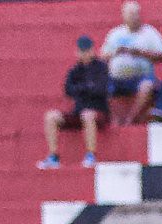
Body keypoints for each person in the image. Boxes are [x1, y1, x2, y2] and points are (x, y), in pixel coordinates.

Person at [40, 36, 110, 170]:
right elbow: (68, 90)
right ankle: (53, 156)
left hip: (98, 112)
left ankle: (90, 154)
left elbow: (101, 89)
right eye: (81, 51)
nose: (84, 54)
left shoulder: (101, 68)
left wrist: (81, 89)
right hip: (78, 111)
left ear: (92, 50)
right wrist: (87, 87)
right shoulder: (75, 70)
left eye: (86, 50)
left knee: (87, 115)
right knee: (51, 116)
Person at [100, 1, 162, 125]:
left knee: (147, 86)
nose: (133, 17)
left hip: (141, 76)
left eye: (135, 14)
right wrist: (116, 52)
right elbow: (103, 56)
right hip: (117, 78)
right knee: (100, 85)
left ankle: (131, 118)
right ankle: (115, 120)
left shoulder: (149, 32)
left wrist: (141, 53)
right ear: (123, 15)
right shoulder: (115, 33)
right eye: (130, 14)